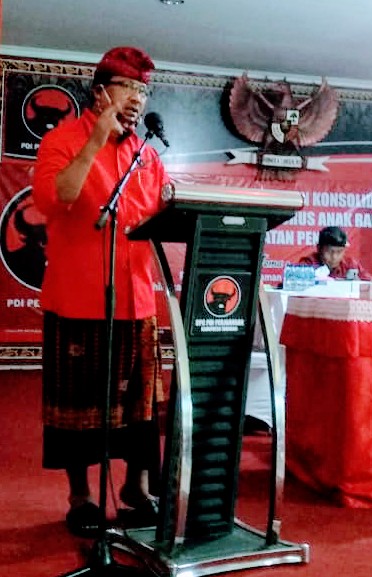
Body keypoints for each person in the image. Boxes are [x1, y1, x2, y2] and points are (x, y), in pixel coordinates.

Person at [32, 46, 168, 537]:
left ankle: (136, 489)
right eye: (128, 87)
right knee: (79, 407)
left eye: (143, 91)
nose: (137, 99)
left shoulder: (146, 154)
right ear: (100, 92)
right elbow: (56, 197)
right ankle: (81, 497)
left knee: (140, 409)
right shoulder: (62, 140)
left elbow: (163, 211)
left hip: (138, 300)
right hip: (79, 299)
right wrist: (94, 141)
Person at [299, 226, 372, 280]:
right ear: (319, 248)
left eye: (339, 252)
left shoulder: (350, 265)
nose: (334, 257)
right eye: (329, 252)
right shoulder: (307, 264)